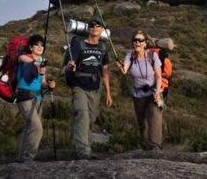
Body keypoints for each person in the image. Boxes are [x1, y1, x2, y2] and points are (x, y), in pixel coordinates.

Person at [65, 15, 113, 159]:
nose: (94, 28)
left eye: (97, 25)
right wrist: (70, 66)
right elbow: (71, 62)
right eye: (91, 25)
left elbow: (105, 72)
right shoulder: (79, 44)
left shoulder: (102, 47)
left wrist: (108, 94)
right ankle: (83, 151)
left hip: (95, 87)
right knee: (83, 115)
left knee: (90, 118)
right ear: (88, 28)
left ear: (102, 29)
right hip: (78, 85)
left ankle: (82, 144)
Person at [117, 30, 164, 150]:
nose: (137, 42)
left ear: (145, 43)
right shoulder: (130, 56)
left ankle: (155, 146)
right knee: (142, 122)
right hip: (138, 94)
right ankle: (145, 146)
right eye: (135, 40)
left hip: (154, 91)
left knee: (154, 114)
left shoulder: (152, 56)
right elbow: (125, 70)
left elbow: (159, 76)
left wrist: (158, 93)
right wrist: (122, 69)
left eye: (140, 40)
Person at [16, 34, 56, 163]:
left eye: (42, 45)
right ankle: (29, 158)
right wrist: (34, 63)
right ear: (30, 47)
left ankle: (21, 157)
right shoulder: (25, 58)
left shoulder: (43, 62)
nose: (40, 47)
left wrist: (49, 85)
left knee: (29, 127)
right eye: (37, 44)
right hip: (25, 97)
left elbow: (42, 82)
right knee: (37, 127)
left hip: (38, 97)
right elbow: (20, 58)